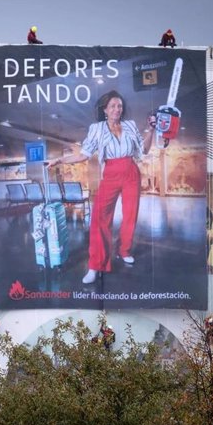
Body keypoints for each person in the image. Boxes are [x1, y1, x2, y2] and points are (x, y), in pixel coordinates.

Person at [50, 90, 155, 284]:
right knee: (99, 219)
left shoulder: (130, 125)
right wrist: (60, 160)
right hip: (111, 172)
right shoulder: (96, 128)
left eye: (120, 106)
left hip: (131, 170)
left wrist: (150, 129)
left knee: (130, 214)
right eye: (113, 106)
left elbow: (144, 150)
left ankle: (124, 250)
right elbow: (83, 154)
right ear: (105, 109)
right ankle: (95, 265)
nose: (117, 109)